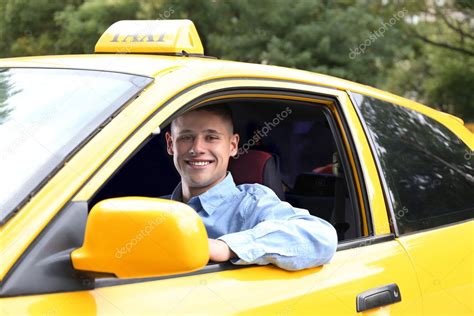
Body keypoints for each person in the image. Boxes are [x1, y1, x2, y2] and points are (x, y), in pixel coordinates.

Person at [165, 105, 337, 271]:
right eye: (186, 137)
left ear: (233, 145)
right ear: (171, 144)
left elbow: (322, 237)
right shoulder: (155, 211)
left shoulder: (251, 203)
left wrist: (226, 247)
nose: (197, 148)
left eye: (211, 137)